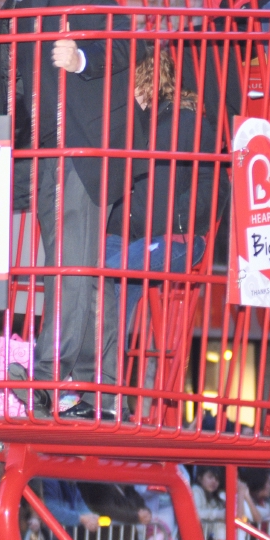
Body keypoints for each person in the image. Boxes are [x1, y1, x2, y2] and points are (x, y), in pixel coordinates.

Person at [0, 0, 130, 421]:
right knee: (69, 264)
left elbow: (127, 41)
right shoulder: (5, 18)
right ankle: (82, 384)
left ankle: (53, 377)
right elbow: (6, 95)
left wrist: (83, 57)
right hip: (36, 153)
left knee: (68, 262)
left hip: (78, 146)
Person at [104, 54, 218, 361]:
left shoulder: (184, 123)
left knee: (112, 273)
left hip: (175, 236)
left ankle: (100, 382)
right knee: (86, 277)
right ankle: (96, 381)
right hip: (130, 233)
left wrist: (180, 221)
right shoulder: (131, 123)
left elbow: (202, 185)